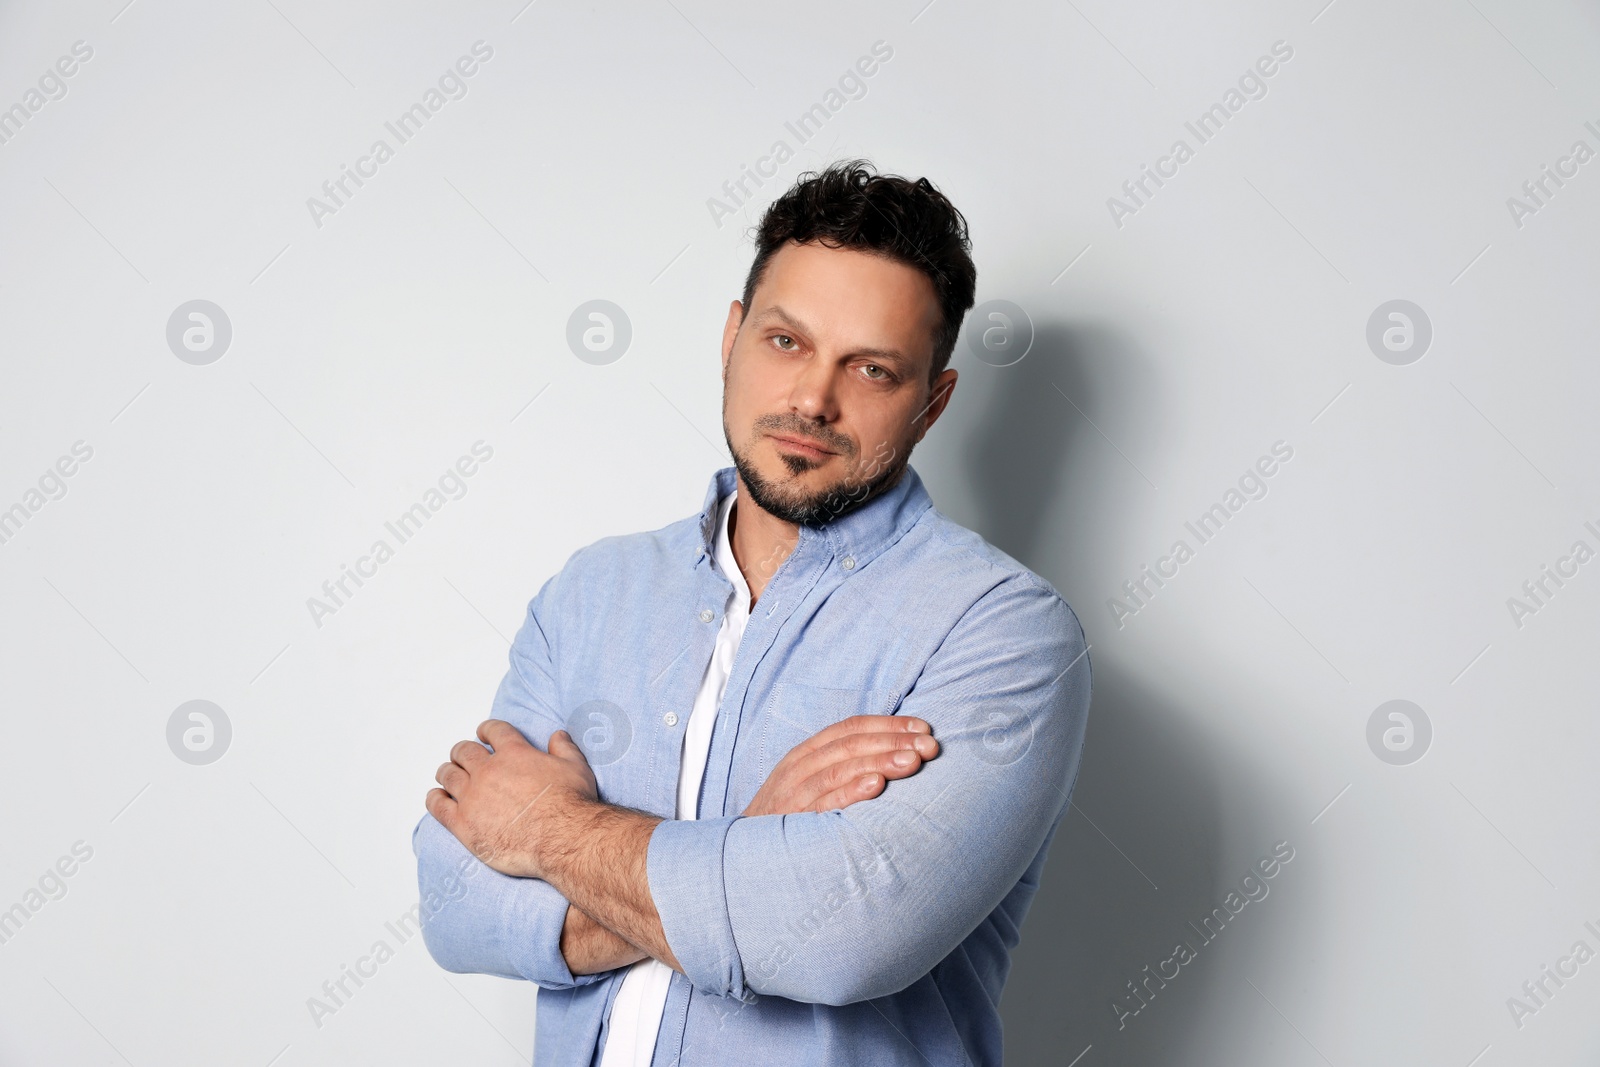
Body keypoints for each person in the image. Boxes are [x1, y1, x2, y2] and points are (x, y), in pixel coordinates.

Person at [413, 160, 1091, 1066]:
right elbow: (455, 907)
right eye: (786, 342)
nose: (813, 397)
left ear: (933, 402)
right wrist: (747, 855)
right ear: (732, 337)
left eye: (873, 368)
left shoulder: (1004, 632)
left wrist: (545, 831)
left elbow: (836, 938)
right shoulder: (593, 592)